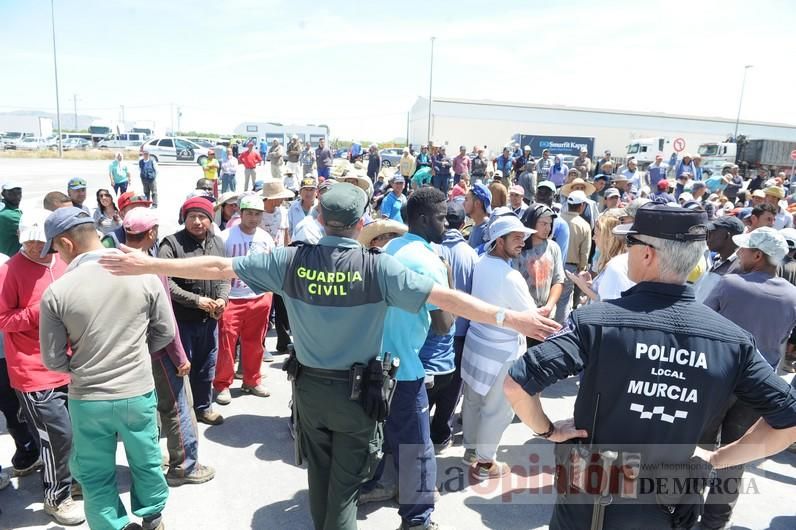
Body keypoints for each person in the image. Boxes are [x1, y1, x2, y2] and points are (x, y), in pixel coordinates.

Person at [98, 182, 560, 530]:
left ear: (318, 215)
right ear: (362, 223)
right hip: (357, 397)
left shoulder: (291, 260)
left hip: (308, 392)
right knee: (344, 488)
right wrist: (513, 319)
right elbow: (448, 300)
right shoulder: (379, 267)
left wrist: (149, 264)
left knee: (320, 475)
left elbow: (220, 266)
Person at [504, 203, 796, 530]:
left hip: (591, 500)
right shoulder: (732, 340)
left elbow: (517, 383)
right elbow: (788, 421)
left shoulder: (596, 321)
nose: (625, 252)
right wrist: (716, 460)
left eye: (630, 243)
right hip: (667, 503)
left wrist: (548, 430)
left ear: (647, 254)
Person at [39, 207, 174, 530]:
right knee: (146, 458)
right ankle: (152, 517)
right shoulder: (142, 273)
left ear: (66, 243)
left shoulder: (57, 291)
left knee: (94, 472)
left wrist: (86, 364)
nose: (56, 256)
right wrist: (136, 353)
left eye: (55, 249)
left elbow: (53, 359)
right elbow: (166, 332)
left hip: (88, 398)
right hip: (137, 391)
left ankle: (113, 525)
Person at [701, 227, 796, 529]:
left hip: (716, 378)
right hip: (760, 383)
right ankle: (715, 522)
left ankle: (683, 510)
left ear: (757, 255)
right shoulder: (793, 295)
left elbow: (700, 324)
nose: (738, 254)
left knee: (699, 447)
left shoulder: (730, 284)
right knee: (736, 453)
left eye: (744, 250)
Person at [0, 209, 83, 525]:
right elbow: (2, 318)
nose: (34, 248)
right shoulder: (10, 271)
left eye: (40, 241)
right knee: (57, 434)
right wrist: (38, 311)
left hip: (72, 363)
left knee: (74, 432)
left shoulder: (64, 262)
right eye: (28, 241)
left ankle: (70, 480)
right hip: (32, 369)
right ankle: (56, 498)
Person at [122, 207, 215, 488]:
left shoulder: (111, 260)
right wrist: (180, 356)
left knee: (143, 411)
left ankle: (148, 461)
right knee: (177, 407)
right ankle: (184, 466)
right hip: (158, 349)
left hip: (127, 352)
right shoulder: (152, 266)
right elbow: (165, 319)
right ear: (151, 233)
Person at [462, 215, 536, 480]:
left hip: (476, 343)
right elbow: (531, 317)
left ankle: (471, 450)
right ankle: (484, 464)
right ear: (498, 241)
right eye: (515, 237)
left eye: (523, 236)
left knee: (472, 400)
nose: (522, 241)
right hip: (501, 352)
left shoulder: (480, 263)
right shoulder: (510, 276)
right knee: (498, 409)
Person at [159, 198, 230, 426]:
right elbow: (166, 282)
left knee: (206, 366)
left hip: (208, 320)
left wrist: (221, 298)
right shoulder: (171, 244)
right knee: (181, 368)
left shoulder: (217, 243)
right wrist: (197, 300)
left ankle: (203, 408)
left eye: (202, 217)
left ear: (210, 219)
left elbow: (224, 274)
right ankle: (179, 416)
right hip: (182, 322)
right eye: (192, 217)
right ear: (184, 218)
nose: (197, 222)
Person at [215, 195, 274, 405]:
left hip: (259, 297)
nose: (253, 218)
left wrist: (269, 294)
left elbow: (271, 267)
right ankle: (222, 384)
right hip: (232, 298)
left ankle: (252, 380)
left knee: (255, 343)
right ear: (240, 213)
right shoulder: (225, 236)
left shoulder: (266, 238)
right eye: (249, 213)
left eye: (257, 214)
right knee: (226, 344)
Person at [429, 202, 477, 449]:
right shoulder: (470, 254)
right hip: (461, 333)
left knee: (428, 382)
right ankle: (440, 430)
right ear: (462, 225)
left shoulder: (432, 249)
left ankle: (424, 428)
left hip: (432, 330)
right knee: (453, 386)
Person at [261, 181, 294, 356]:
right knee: (265, 306)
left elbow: (286, 235)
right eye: (278, 197)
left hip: (281, 262)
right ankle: (262, 345)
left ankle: (284, 341)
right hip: (264, 263)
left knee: (283, 304)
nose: (281, 200)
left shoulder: (283, 212)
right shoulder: (258, 213)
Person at [516, 203, 564, 324]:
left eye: (550, 224)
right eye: (543, 224)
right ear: (531, 223)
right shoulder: (518, 248)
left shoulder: (553, 248)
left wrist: (549, 306)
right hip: (522, 313)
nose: (548, 228)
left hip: (546, 314)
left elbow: (558, 281)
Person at [557, 190, 592, 320]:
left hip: (551, 263)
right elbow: (584, 252)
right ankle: (559, 332)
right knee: (564, 302)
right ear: (581, 205)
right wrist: (582, 269)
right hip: (570, 268)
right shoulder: (584, 225)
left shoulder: (557, 218)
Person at [693, 216, 744, 302]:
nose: (707, 238)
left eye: (712, 234)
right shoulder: (716, 259)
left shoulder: (739, 268)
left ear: (726, 236)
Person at [535, 181, 570, 258]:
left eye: (546, 194)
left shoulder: (561, 225)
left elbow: (560, 257)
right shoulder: (528, 218)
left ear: (554, 197)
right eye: (540, 193)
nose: (542, 197)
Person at [464, 183, 491, 248]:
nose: (463, 203)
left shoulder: (487, 231)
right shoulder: (477, 225)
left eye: (466, 200)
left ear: (477, 204)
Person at [0, 182, 23, 256]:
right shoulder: (8, 215)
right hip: (10, 260)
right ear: (3, 194)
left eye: (19, 193)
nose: (17, 196)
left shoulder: (5, 208)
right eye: (12, 193)